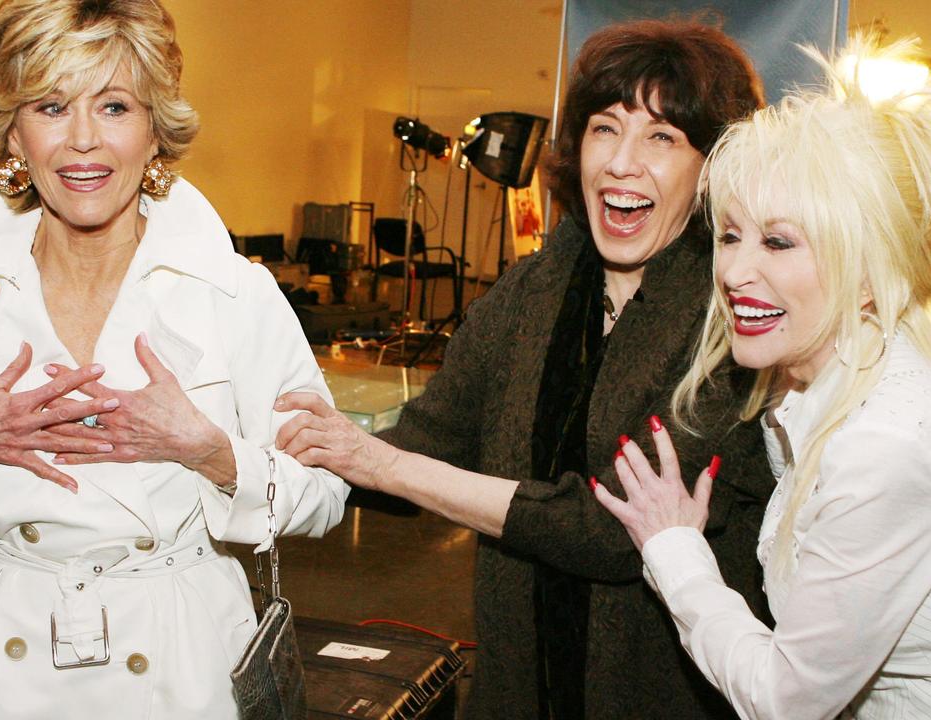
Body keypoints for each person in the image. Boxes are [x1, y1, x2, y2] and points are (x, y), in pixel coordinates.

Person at [0, 1, 348, 717]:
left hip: (181, 661)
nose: (82, 141)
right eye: (52, 106)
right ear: (15, 133)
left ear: (155, 130)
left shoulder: (235, 294)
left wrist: (212, 454)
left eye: (114, 105)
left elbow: (326, 494)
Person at [277, 20, 770, 720]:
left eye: (661, 137)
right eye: (605, 128)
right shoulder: (529, 291)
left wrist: (381, 465)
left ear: (710, 167)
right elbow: (425, 441)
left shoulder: (735, 322)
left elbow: (610, 529)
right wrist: (247, 446)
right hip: (517, 693)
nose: (621, 163)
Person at [592, 39, 931, 720]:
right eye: (732, 235)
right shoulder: (809, 386)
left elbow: (786, 699)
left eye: (778, 242)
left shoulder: (887, 441)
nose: (736, 271)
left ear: (867, 268)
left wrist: (674, 549)